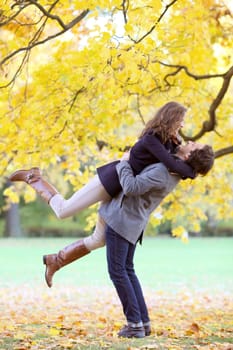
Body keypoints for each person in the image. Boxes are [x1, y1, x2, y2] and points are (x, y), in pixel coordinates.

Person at [9, 102, 196, 283]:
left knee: (99, 239)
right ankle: (33, 177)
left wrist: (194, 168)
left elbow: (182, 163)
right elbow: (173, 165)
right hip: (111, 180)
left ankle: (55, 261)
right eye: (181, 119)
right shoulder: (151, 139)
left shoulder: (169, 142)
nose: (183, 124)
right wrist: (196, 172)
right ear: (171, 117)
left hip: (121, 190)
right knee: (63, 211)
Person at [100, 141, 214, 338]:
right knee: (127, 270)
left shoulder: (164, 172)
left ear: (188, 156)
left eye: (193, 145)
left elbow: (130, 187)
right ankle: (142, 322)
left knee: (118, 272)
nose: (189, 141)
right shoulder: (172, 170)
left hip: (123, 221)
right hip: (132, 222)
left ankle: (135, 324)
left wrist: (124, 163)